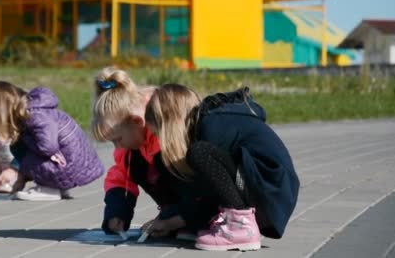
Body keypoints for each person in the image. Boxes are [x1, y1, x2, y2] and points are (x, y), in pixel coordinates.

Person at [144, 84, 300, 251]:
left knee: (199, 154)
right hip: (267, 185)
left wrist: (174, 221)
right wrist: (171, 223)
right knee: (192, 162)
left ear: (169, 126)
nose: (160, 142)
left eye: (159, 134)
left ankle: (240, 226)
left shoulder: (211, 125)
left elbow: (210, 196)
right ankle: (226, 223)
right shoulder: (209, 122)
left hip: (270, 187)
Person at [91, 67, 208, 240]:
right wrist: (117, 212)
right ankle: (178, 218)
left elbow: (197, 180)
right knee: (137, 165)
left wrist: (173, 219)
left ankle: (193, 220)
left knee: (167, 163)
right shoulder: (131, 145)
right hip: (182, 199)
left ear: (137, 121)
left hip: (203, 197)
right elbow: (122, 177)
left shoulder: (165, 131)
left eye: (118, 139)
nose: (117, 147)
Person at [0, 81, 104, 201]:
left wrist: (30, 146)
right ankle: (56, 186)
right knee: (19, 147)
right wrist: (21, 178)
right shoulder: (33, 111)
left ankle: (48, 189)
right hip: (72, 163)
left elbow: (48, 146)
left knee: (24, 149)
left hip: (68, 166)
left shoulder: (34, 115)